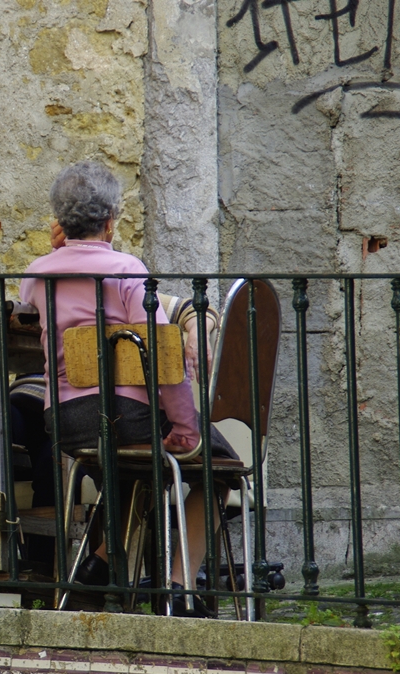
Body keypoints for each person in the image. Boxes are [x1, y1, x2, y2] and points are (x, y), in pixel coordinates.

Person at [18, 161, 234, 617]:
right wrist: (184, 424)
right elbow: (163, 357)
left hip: (66, 420)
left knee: (135, 472)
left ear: (60, 221)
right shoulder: (126, 269)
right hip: (129, 414)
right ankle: (178, 588)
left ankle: (95, 568)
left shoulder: (36, 274)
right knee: (222, 473)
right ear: (112, 220)